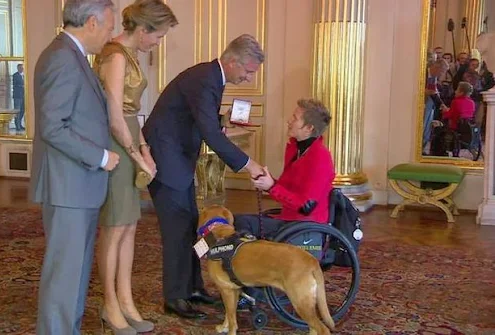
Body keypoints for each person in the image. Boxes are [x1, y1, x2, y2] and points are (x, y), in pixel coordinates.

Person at [142, 34, 265, 319]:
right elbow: (208, 131)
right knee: (176, 231)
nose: (248, 78)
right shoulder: (206, 79)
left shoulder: (212, 77)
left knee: (189, 226)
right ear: (233, 62)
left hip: (179, 160)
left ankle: (194, 288)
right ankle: (175, 297)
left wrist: (218, 124)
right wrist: (249, 165)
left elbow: (203, 120)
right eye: (247, 71)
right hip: (165, 159)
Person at [29, 1, 119, 334]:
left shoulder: (71, 55)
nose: (110, 34)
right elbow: (54, 126)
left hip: (78, 185)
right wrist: (100, 156)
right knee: (64, 276)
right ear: (92, 22)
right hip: (68, 184)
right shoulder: (63, 58)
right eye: (109, 27)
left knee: (76, 273)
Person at [92, 0, 177, 333]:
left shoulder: (129, 56)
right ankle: (109, 304)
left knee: (128, 227)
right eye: (157, 37)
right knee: (114, 227)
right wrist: (134, 153)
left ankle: (126, 301)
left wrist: (144, 148)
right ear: (143, 30)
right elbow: (114, 117)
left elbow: (129, 114)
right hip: (114, 144)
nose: (157, 43)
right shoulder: (114, 55)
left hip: (127, 140)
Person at [233, 98, 335, 309]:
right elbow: (289, 191)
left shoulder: (320, 158)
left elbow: (306, 206)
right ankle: (251, 281)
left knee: (240, 225)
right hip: (288, 220)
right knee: (238, 223)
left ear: (309, 128)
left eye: (294, 118)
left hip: (304, 228)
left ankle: (252, 284)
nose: (289, 121)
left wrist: (271, 186)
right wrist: (268, 183)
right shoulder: (296, 149)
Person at [12, 63, 25, 131]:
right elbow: (15, 85)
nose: (22, 69)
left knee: (23, 110)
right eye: (20, 68)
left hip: (24, 96)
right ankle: (17, 126)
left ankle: (19, 124)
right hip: (17, 96)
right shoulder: (15, 75)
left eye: (23, 68)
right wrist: (23, 86)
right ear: (18, 68)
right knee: (17, 111)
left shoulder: (25, 76)